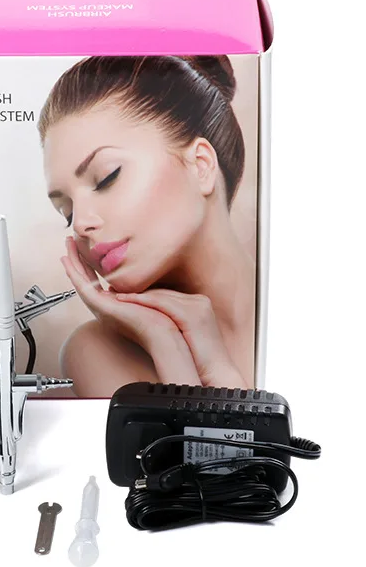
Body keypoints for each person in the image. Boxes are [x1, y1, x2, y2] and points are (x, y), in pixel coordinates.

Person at [40, 56, 256, 396]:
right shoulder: (97, 353)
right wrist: (165, 342)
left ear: (200, 165)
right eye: (66, 211)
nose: (80, 224)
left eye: (107, 178)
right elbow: (193, 436)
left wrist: (217, 367)